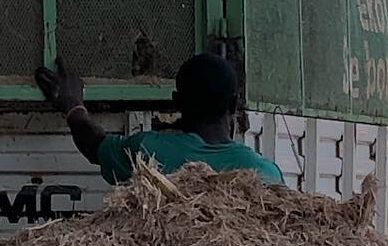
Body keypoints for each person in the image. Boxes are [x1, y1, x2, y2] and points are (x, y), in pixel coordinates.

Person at [34, 51, 284, 186]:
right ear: (234, 104)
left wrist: (72, 105)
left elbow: (93, 145)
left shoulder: (148, 154)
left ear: (176, 102)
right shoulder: (264, 174)